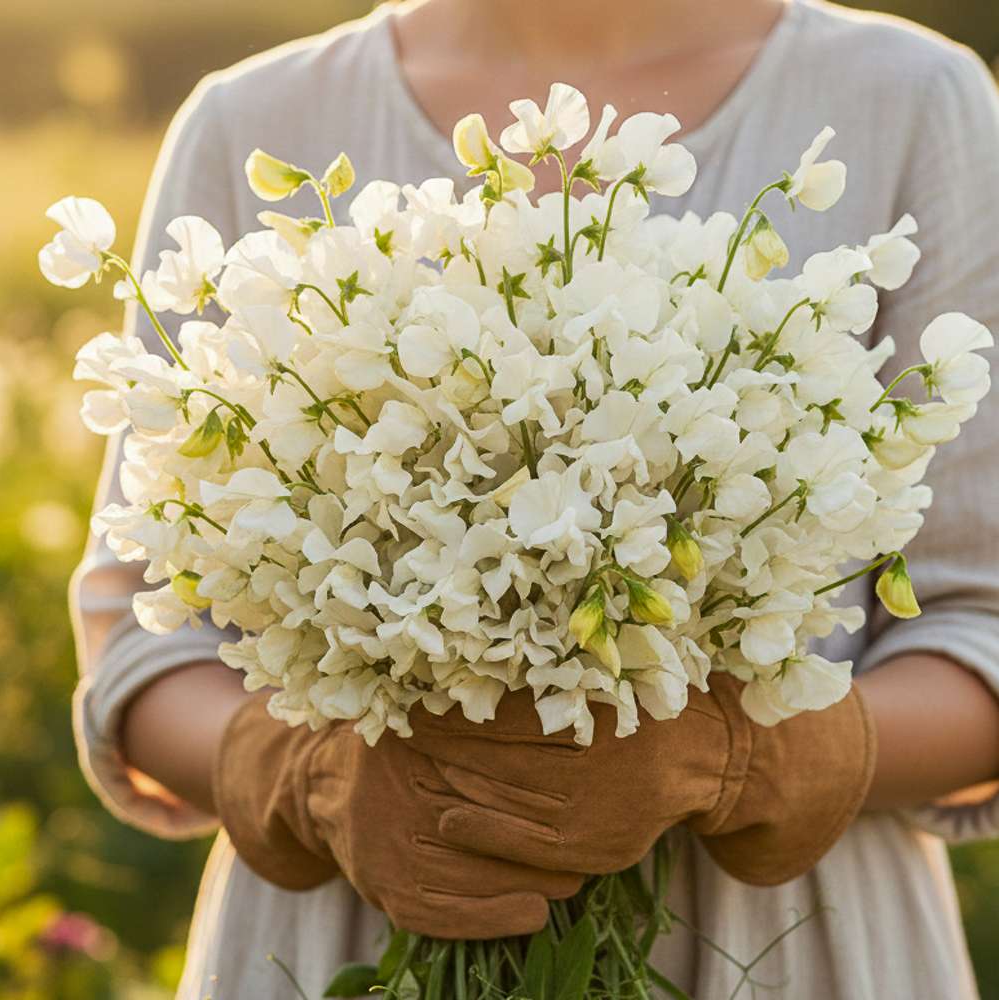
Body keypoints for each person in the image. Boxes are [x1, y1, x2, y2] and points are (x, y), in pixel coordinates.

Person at [70, 0, 999, 996]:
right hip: (339, 928)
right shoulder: (250, 116)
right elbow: (141, 632)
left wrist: (743, 759)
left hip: (785, 949)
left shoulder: (910, 100)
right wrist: (309, 782)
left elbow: (978, 621)